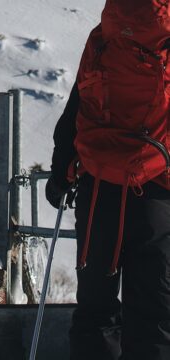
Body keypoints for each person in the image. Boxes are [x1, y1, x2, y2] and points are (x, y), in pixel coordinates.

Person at [46, 1, 170, 359]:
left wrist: (60, 169)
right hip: (157, 192)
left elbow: (78, 102)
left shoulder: (104, 34)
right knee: (154, 313)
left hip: (99, 187)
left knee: (95, 309)